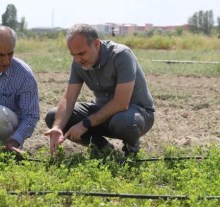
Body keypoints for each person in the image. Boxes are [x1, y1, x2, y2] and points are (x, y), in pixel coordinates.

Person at [44, 23, 155, 157]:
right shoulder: (78, 62)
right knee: (53, 116)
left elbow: (121, 103)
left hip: (135, 113)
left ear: (96, 44)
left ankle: (131, 151)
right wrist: (57, 127)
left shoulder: (121, 55)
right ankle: (104, 150)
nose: (77, 59)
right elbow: (69, 98)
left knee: (124, 121)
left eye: (81, 53)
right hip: (103, 113)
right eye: (73, 55)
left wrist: (84, 124)